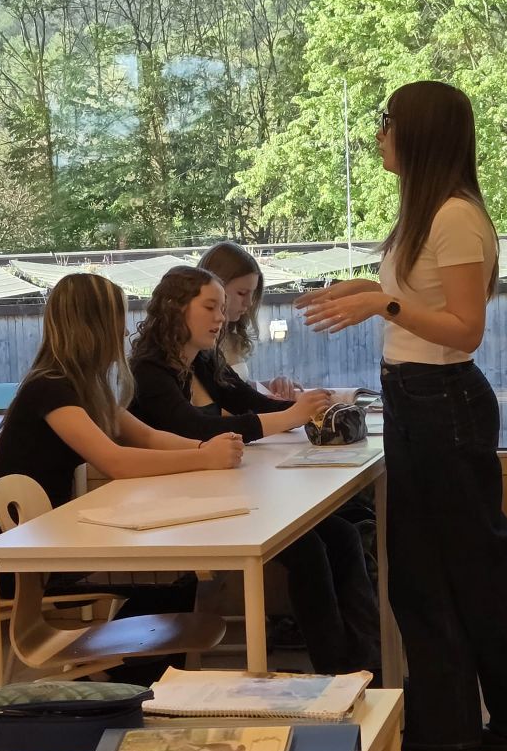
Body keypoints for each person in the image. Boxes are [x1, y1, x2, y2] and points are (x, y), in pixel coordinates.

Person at [297, 80, 507, 751]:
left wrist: (382, 305)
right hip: (419, 397)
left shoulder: (454, 217)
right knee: (428, 572)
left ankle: (500, 721)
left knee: (467, 569)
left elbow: (465, 328)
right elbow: (420, 303)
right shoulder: (426, 214)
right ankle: (451, 727)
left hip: (442, 401)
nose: (379, 135)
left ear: (418, 132)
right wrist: (368, 293)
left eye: (387, 122)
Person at [128, 265, 382, 676]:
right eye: (210, 307)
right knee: (310, 551)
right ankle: (337, 673)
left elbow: (248, 401)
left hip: (217, 493)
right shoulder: (148, 370)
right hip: (176, 509)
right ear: (175, 308)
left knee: (343, 535)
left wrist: (305, 407)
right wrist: (291, 416)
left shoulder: (203, 359)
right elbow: (194, 429)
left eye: (222, 308)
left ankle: (367, 669)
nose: (221, 318)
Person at [0, 273, 243, 623]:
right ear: (92, 326)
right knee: (179, 591)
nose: (123, 332)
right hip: (21, 560)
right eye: (117, 320)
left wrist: (207, 448)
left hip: (45, 542)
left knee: (186, 584)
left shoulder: (84, 387)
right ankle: (122, 658)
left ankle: (129, 655)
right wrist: (204, 457)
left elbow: (148, 437)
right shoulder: (50, 388)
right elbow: (115, 461)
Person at [198, 240, 299, 398]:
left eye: (252, 294)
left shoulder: (230, 335)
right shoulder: (195, 345)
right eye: (242, 293)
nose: (249, 303)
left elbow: (238, 389)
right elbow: (212, 406)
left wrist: (269, 386)